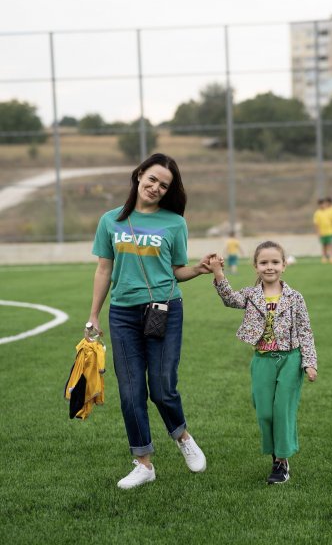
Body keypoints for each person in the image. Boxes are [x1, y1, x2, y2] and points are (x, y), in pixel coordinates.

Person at [87, 153, 214, 489]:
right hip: (123, 313)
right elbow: (104, 269)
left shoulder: (174, 223)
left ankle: (183, 436)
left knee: (161, 387)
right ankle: (143, 463)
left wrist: (198, 270)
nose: (156, 187)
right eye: (153, 179)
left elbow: (176, 271)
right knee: (130, 392)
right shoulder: (110, 220)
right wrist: (94, 315)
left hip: (164, 309)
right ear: (140, 174)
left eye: (164, 185)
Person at [207, 240, 317, 484]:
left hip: (290, 359)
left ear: (284, 265)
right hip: (263, 360)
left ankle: (281, 461)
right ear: (255, 266)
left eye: (275, 262)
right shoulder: (251, 295)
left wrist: (309, 362)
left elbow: (305, 330)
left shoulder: (295, 297)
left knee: (282, 411)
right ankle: (275, 455)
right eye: (264, 262)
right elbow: (229, 299)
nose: (270, 267)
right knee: (265, 412)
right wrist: (218, 272)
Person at [312, 198, 332, 263]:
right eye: (321, 204)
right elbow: (316, 224)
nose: (322, 205)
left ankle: (331, 257)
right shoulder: (317, 213)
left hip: (330, 231)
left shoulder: (329, 211)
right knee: (324, 245)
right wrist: (318, 232)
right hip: (322, 232)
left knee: (330, 245)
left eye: (323, 204)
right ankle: (324, 257)